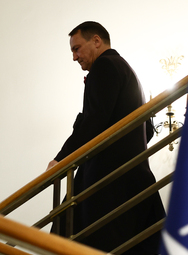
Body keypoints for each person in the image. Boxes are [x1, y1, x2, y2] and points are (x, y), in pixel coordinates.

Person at [46, 21, 165, 254]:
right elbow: (147, 130)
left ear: (97, 41)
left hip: (106, 182)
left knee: (69, 238)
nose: (74, 57)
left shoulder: (105, 66)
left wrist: (61, 159)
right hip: (132, 178)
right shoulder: (127, 71)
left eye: (77, 48)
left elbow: (94, 119)